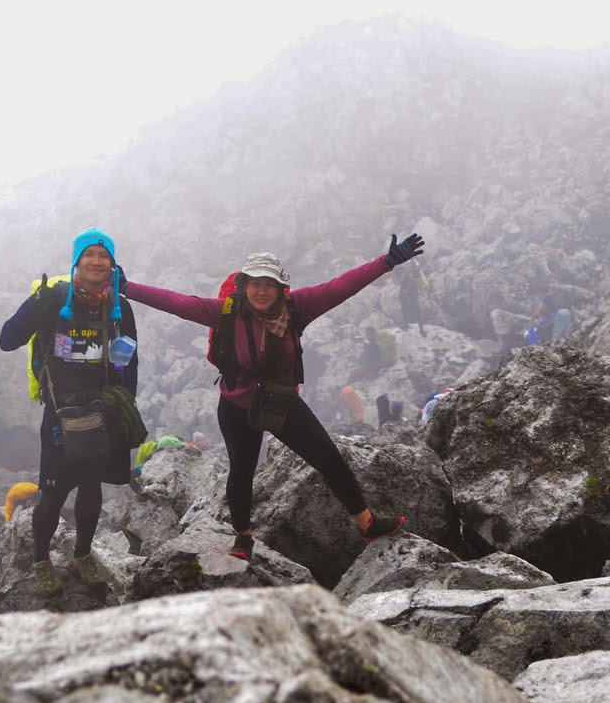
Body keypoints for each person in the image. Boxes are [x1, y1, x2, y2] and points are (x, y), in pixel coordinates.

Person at [121, 234, 424, 560]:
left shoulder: (298, 308)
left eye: (269, 284)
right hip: (237, 407)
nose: (262, 291)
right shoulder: (227, 312)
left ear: (281, 288)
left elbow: (340, 287)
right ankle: (243, 537)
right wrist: (128, 288)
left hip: (283, 403)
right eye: (255, 284)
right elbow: (178, 303)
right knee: (242, 471)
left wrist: (387, 262)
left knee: (329, 458)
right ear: (244, 286)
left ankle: (366, 523)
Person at [0, 227, 142, 591]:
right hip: (61, 412)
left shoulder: (119, 306)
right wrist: (37, 303)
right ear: (76, 261)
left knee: (92, 487)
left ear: (112, 263)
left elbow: (131, 356)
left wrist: (128, 408)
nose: (96, 261)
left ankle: (82, 555)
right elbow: (7, 339)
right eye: (88, 255)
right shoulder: (54, 299)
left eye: (104, 255)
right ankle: (41, 561)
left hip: (104, 409)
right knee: (54, 492)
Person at [397, 267, 428, 335]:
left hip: (413, 293)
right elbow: (397, 282)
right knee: (404, 309)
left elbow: (420, 281)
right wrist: (404, 276)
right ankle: (406, 324)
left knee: (417, 310)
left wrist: (411, 278)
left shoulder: (416, 271)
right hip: (403, 293)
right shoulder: (401, 270)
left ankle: (421, 329)